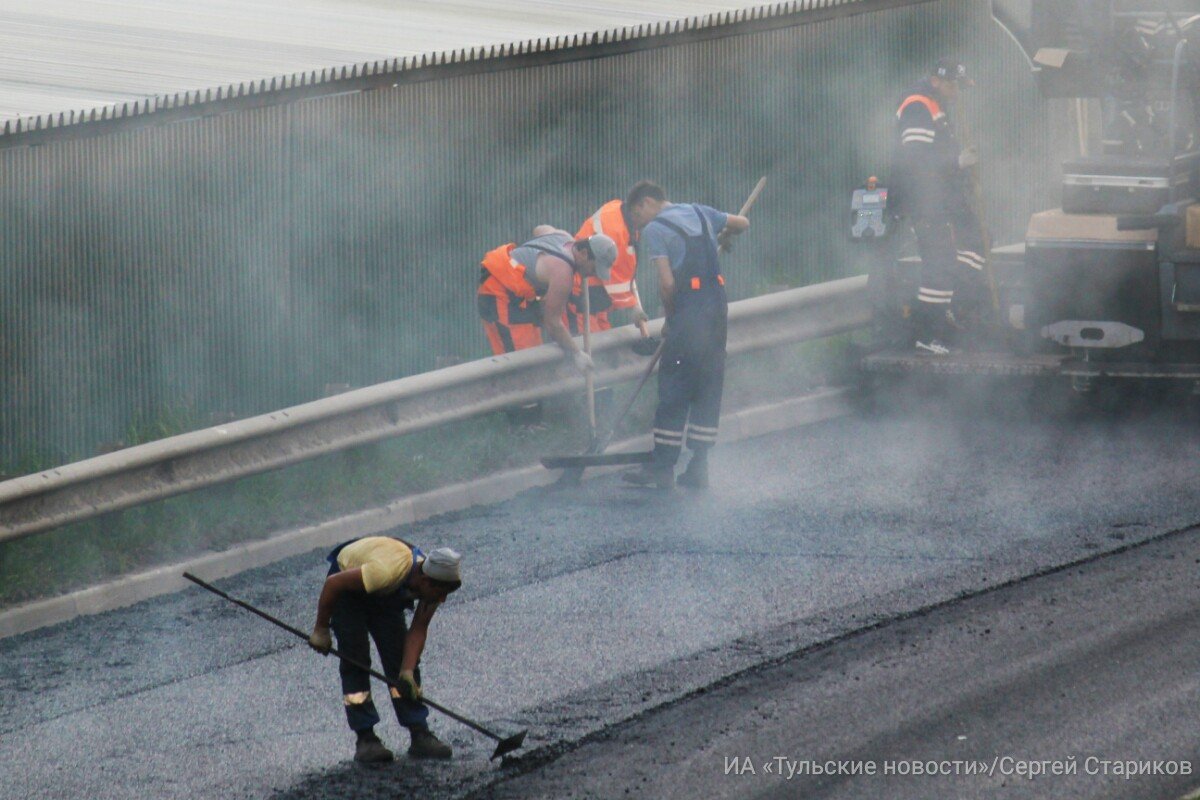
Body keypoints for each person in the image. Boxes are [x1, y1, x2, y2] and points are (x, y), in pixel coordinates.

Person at [622, 197, 749, 489]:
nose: (636, 223)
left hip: (689, 312)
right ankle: (698, 467)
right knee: (708, 383)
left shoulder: (655, 229)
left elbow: (667, 284)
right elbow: (743, 223)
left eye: (636, 214)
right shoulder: (701, 211)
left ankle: (663, 467)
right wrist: (725, 234)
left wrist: (671, 318)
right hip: (717, 308)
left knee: (675, 384)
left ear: (646, 203)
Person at [308, 536, 463, 763]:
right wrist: (321, 629)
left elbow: (419, 628)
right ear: (425, 580)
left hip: (385, 592)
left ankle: (419, 732)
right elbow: (333, 583)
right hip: (347, 586)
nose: (442, 600)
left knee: (401, 660)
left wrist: (407, 671)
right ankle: (366, 739)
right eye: (440, 593)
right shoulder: (386, 572)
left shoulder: (433, 581)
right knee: (355, 658)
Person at [893, 58, 988, 355]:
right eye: (954, 85)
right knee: (939, 265)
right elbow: (916, 160)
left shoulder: (938, 107)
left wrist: (960, 165)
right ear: (936, 81)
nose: (958, 91)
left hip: (946, 200)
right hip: (927, 202)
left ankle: (951, 308)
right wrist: (956, 161)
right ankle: (927, 334)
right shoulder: (918, 106)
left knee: (978, 242)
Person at [476, 227, 618, 368]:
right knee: (521, 361)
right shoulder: (563, 274)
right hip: (500, 293)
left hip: (520, 296)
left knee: (534, 354)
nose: (593, 274)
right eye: (593, 269)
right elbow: (553, 323)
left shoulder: (564, 237)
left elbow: (539, 229)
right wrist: (577, 353)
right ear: (583, 253)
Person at [570, 181, 670, 335]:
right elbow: (616, 280)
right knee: (593, 346)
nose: (655, 219)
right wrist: (633, 307)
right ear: (644, 204)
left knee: (603, 346)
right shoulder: (614, 230)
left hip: (595, 299)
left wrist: (633, 304)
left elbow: (624, 270)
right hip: (581, 296)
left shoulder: (625, 217)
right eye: (656, 213)